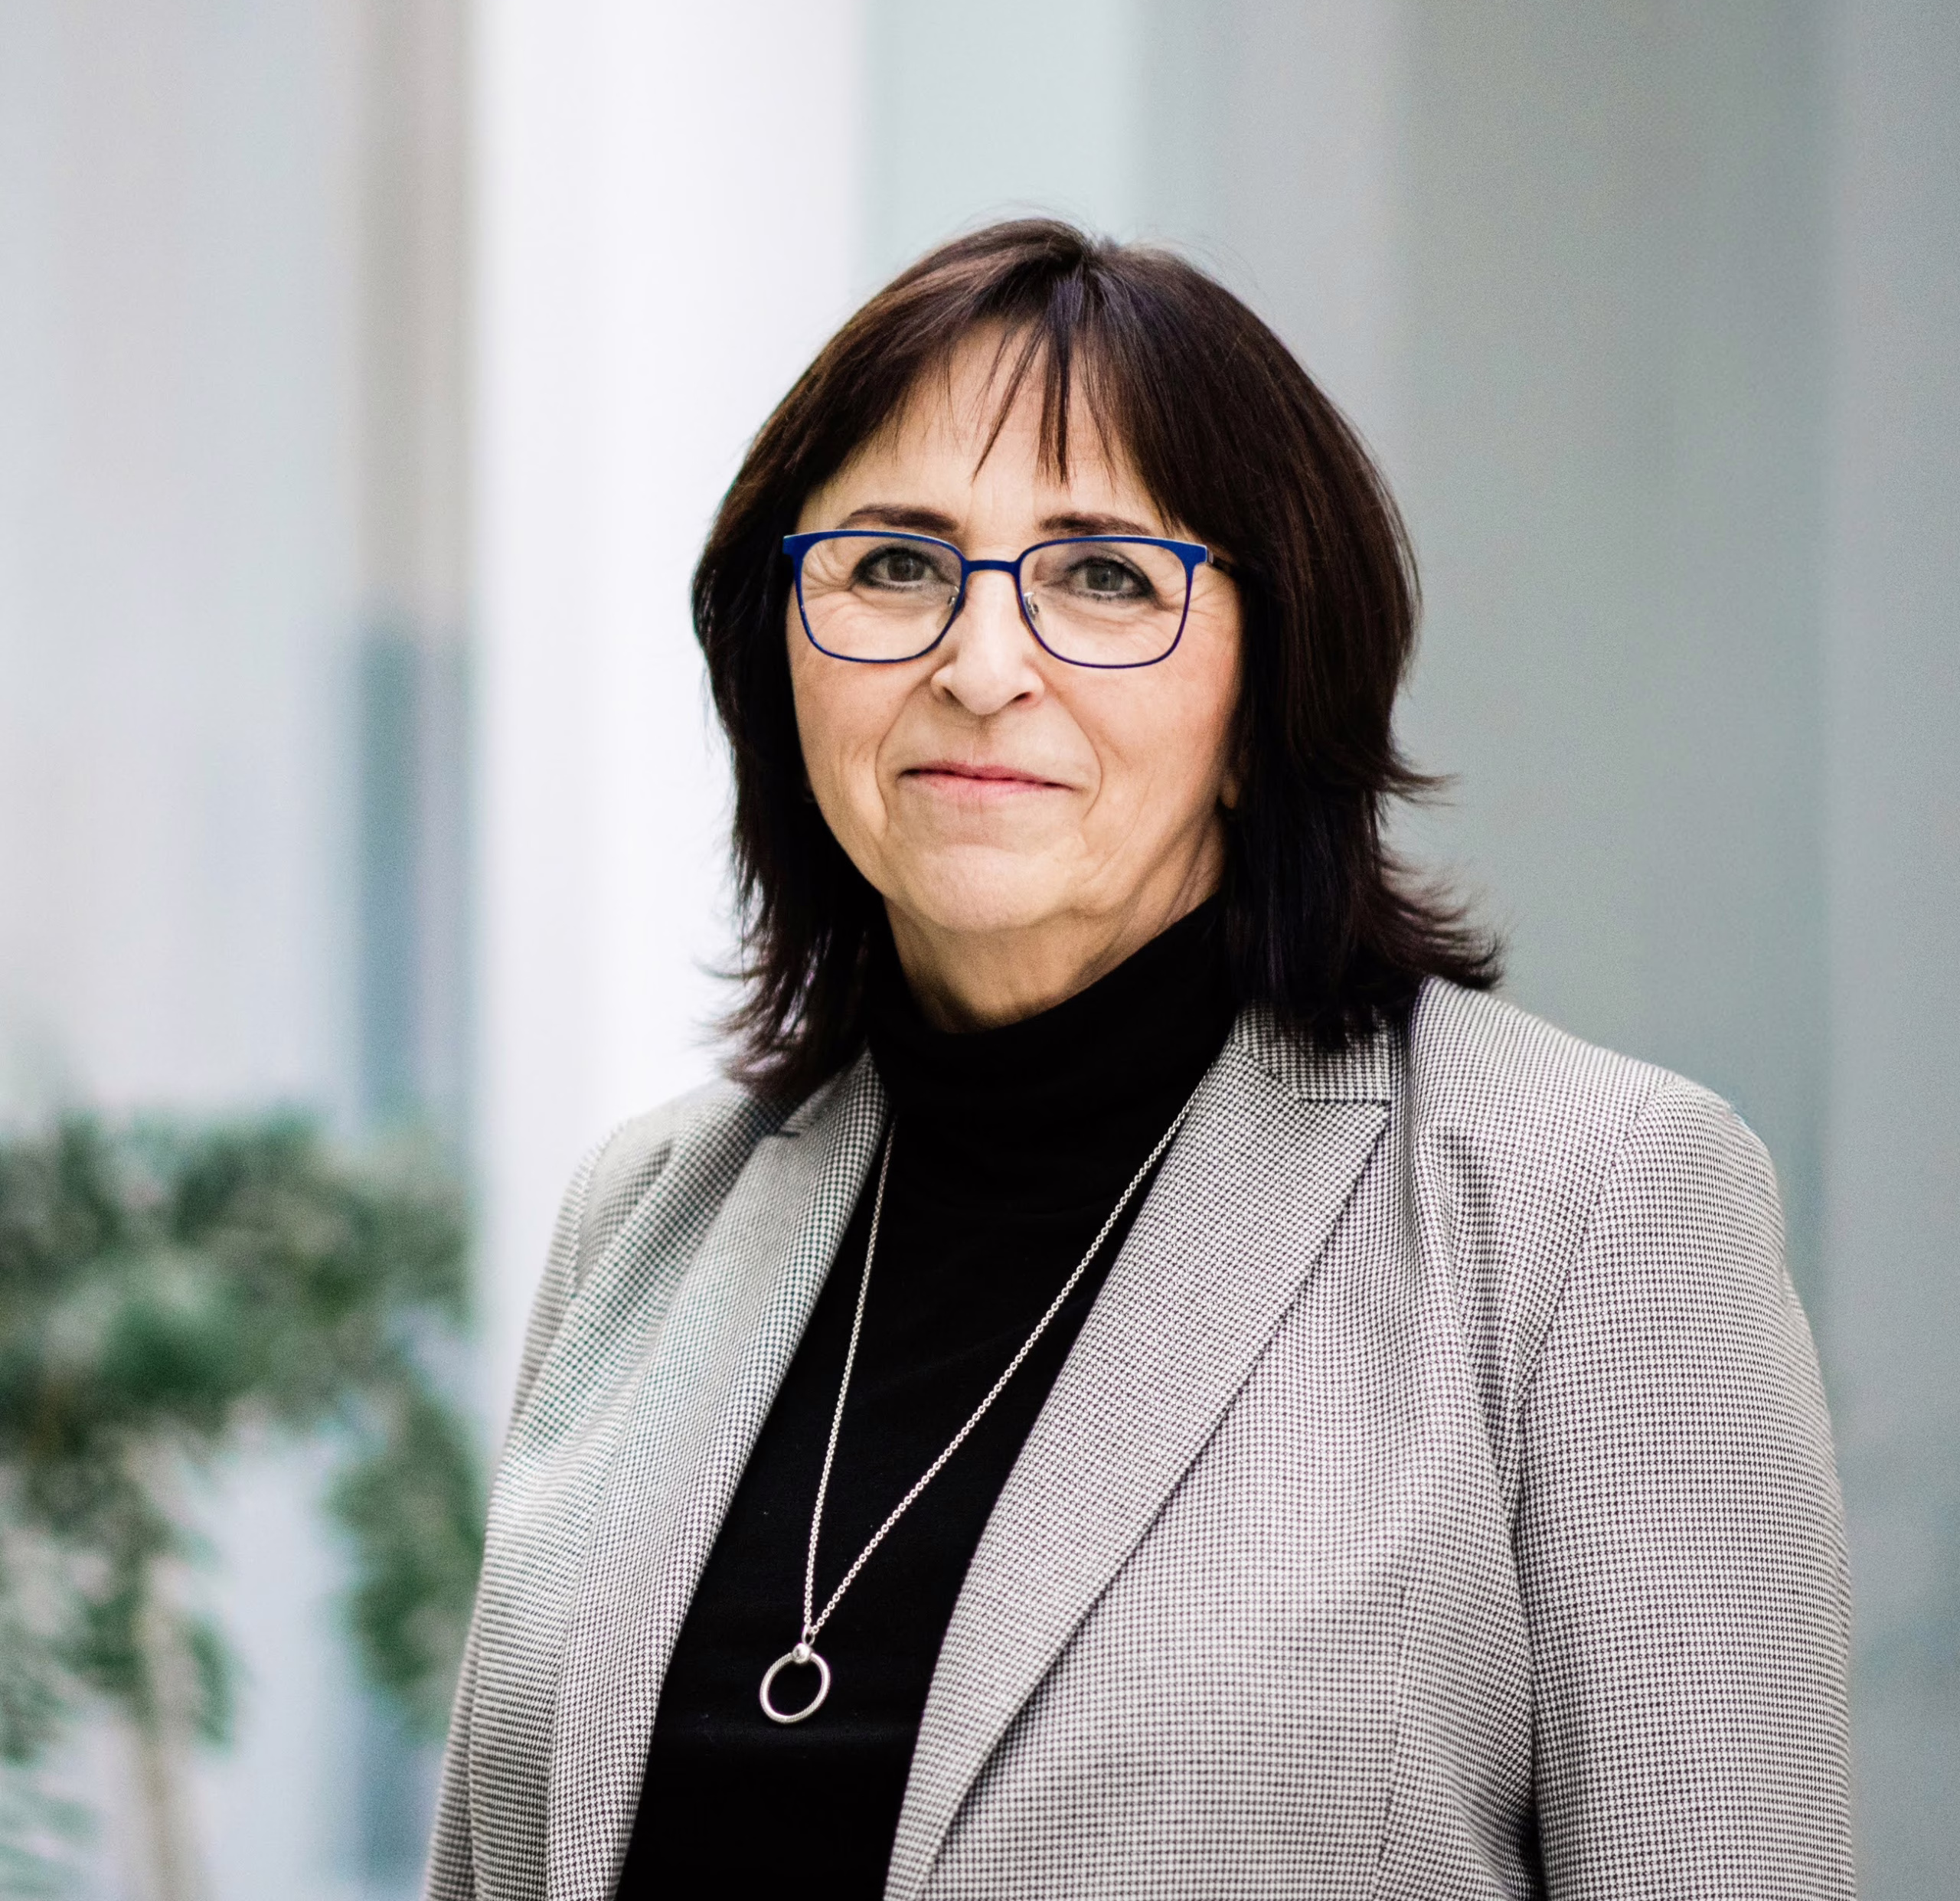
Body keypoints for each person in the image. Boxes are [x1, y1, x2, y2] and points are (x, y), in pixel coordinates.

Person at [426, 222, 1853, 1899]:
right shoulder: (648, 1213)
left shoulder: (1592, 1204)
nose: (978, 666)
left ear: (1267, 692)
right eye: (894, 564)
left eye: (1103, 577)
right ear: (778, 655)